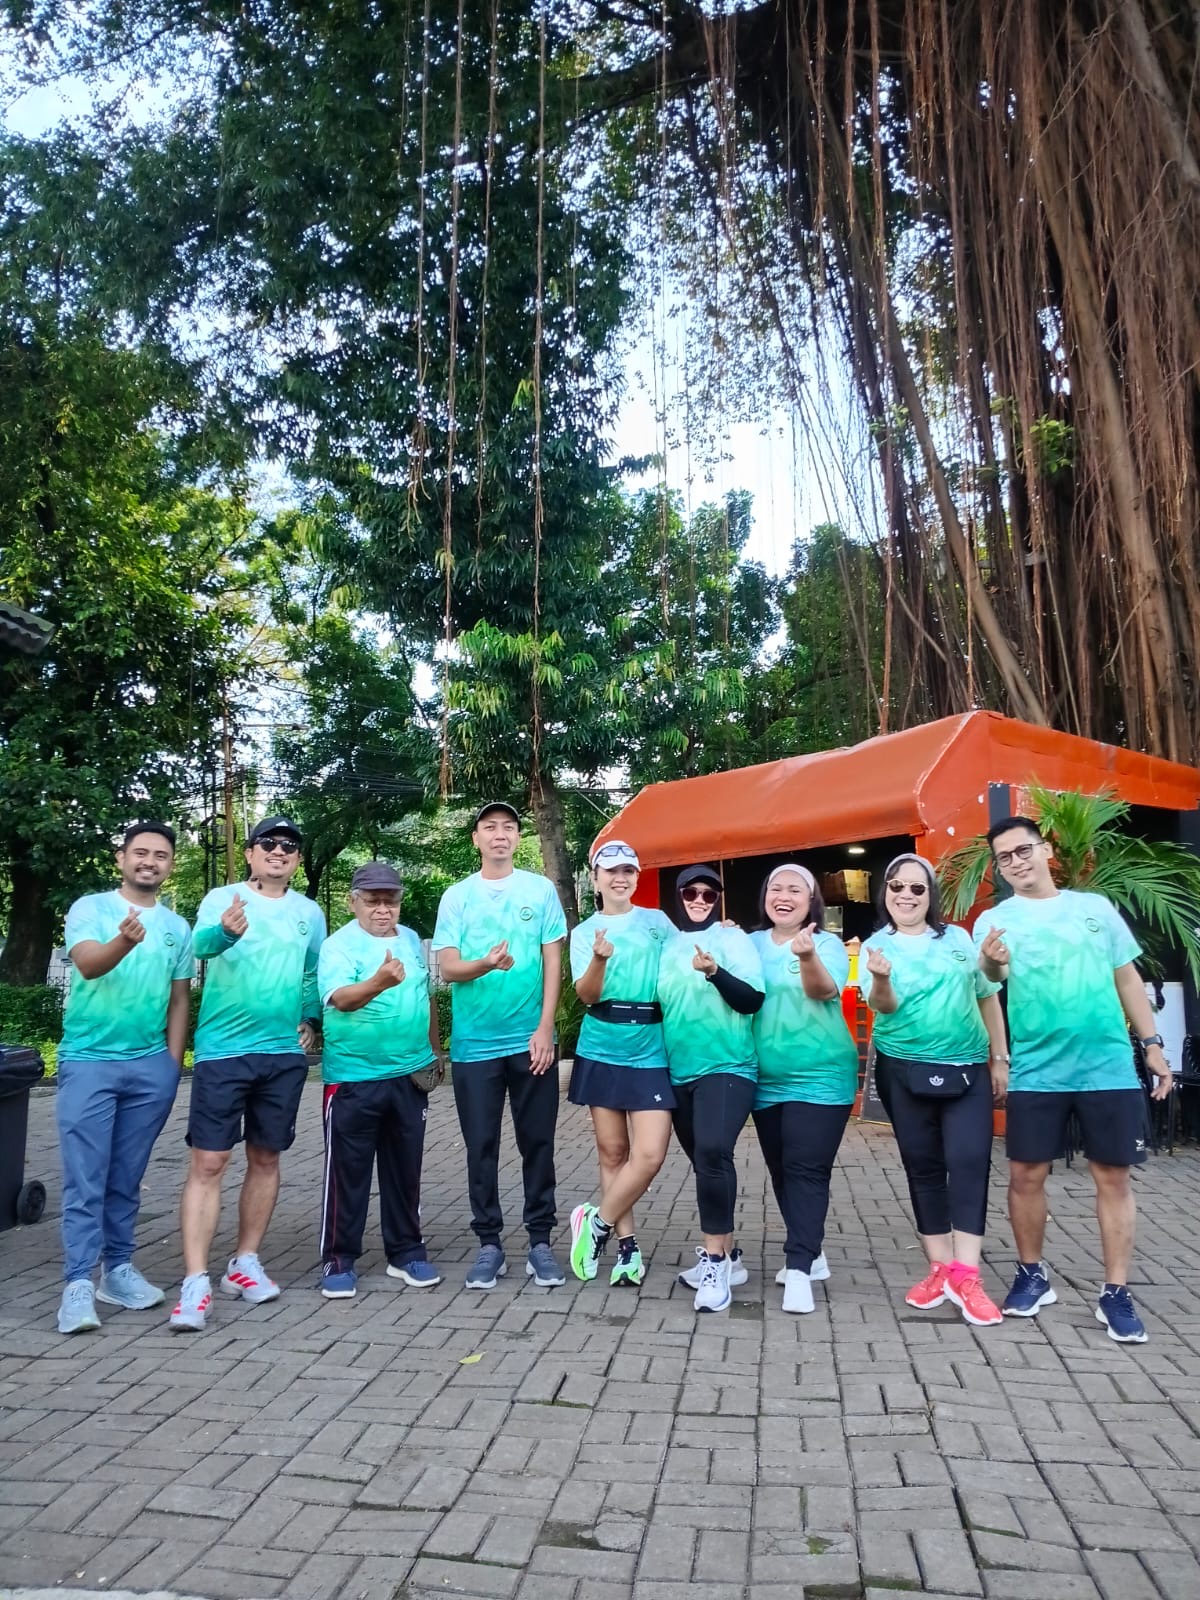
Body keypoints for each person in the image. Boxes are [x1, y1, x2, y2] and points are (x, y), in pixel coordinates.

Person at [975, 816, 1173, 1343]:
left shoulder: (1096, 909)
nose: (1016, 862)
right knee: (1025, 1175)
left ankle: (1115, 1292)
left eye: (1023, 850)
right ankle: (1031, 1274)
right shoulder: (995, 920)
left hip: (1107, 1068)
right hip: (1037, 1071)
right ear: (1000, 869)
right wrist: (992, 963)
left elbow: (1126, 977)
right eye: (1005, 858)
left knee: (1113, 1177)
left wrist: (1153, 1045)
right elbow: (991, 981)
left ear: (1045, 851)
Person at [169, 816, 325, 1331]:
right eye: (269, 843)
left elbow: (311, 973)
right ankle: (195, 1281)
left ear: (297, 859)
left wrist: (311, 1018)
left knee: (266, 1157)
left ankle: (244, 1262)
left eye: (290, 846)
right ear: (253, 852)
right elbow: (199, 948)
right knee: (210, 1161)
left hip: (282, 1056)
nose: (280, 850)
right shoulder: (223, 898)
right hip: (224, 1052)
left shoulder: (309, 912)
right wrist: (225, 932)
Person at [55, 824, 194, 1335]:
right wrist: (123, 941)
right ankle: (77, 1283)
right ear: (121, 858)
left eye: (160, 855)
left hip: (149, 1068)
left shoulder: (176, 927)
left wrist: (171, 1066)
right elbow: (89, 965)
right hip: (88, 1061)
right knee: (85, 1177)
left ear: (170, 864)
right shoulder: (90, 908)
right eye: (140, 852)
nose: (149, 861)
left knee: (126, 1176)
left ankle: (117, 1270)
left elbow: (179, 998)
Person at [861, 853, 1009, 1327]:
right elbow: (883, 1006)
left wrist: (1000, 1058)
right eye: (896, 886)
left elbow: (988, 993)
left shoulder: (959, 939)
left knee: (969, 1162)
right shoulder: (875, 946)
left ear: (931, 895)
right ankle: (941, 1269)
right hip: (903, 1070)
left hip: (968, 1068)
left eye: (917, 887)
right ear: (885, 892)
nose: (906, 895)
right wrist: (881, 978)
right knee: (922, 1166)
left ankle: (967, 1275)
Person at [432, 802, 568, 1289]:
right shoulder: (457, 897)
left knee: (539, 1143)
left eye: (508, 827)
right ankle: (489, 1244)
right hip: (475, 1046)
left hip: (531, 1042)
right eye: (489, 827)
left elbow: (553, 961)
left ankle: (540, 1243)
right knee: (481, 1146)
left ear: (517, 837)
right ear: (476, 838)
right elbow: (448, 969)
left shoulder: (540, 890)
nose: (499, 835)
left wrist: (546, 1026)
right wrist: (486, 964)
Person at [316, 862, 442, 1299]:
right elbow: (342, 1000)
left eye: (391, 900)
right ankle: (338, 1258)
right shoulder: (337, 945)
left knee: (405, 1170)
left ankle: (406, 1252)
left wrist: (434, 1052)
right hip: (353, 1078)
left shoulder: (410, 939)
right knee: (346, 1173)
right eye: (373, 901)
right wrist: (378, 981)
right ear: (354, 902)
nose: (383, 909)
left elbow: (425, 996)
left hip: (409, 1075)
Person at [567, 840, 676, 1287]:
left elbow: (680, 969)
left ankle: (596, 1223)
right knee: (613, 1152)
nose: (620, 878)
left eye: (628, 870)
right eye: (610, 871)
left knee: (649, 1155)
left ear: (636, 877)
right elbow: (587, 995)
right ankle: (627, 1249)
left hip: (652, 1046)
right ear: (595, 879)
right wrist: (598, 958)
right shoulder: (584, 933)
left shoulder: (658, 922)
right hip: (602, 1045)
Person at [657, 863, 763, 1313]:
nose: (700, 900)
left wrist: (715, 971)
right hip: (678, 1071)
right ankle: (731, 1256)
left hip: (729, 1065)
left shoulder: (732, 939)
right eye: (691, 893)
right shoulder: (666, 945)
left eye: (708, 894)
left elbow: (752, 999)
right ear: (678, 896)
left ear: (718, 899)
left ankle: (715, 1264)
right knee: (708, 1163)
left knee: (714, 1151)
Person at [750, 863, 856, 1314]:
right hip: (764, 1078)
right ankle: (813, 1251)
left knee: (806, 1169)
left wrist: (807, 956)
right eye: (776, 887)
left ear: (811, 901)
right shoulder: (750, 944)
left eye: (796, 889)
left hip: (821, 1074)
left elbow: (824, 991)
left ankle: (798, 1268)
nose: (784, 895)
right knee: (781, 1169)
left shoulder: (826, 943)